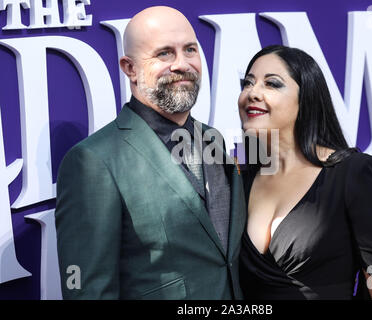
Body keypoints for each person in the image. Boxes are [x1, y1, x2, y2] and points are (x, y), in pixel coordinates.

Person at [55, 6, 245, 300]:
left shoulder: (213, 139)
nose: (183, 64)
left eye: (190, 50)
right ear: (129, 68)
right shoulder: (93, 162)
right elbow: (86, 289)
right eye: (164, 53)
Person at [237, 45, 372, 300]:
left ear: (306, 98)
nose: (253, 93)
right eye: (247, 83)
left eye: (271, 84)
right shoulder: (239, 184)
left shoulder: (352, 172)